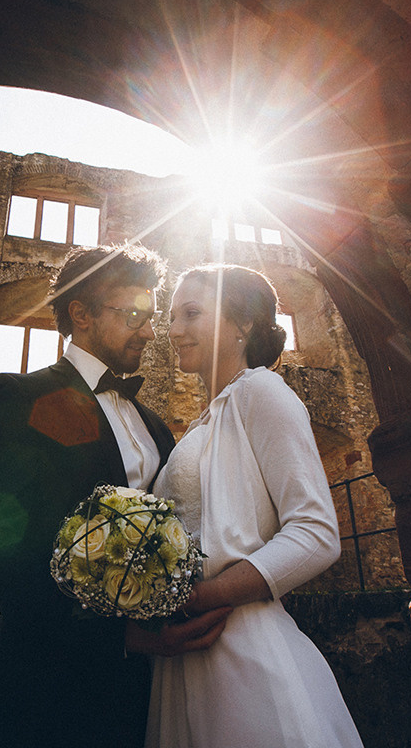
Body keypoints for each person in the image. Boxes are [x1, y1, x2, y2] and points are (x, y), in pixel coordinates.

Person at [0, 244, 232, 747]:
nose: (148, 332)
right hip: (48, 685)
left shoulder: (155, 427)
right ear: (82, 314)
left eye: (150, 317)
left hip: (150, 687)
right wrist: (116, 638)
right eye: (135, 315)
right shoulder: (17, 396)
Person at [145, 264, 364, 748]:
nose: (174, 329)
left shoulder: (261, 391)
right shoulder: (210, 416)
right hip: (184, 654)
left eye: (192, 313)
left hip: (240, 645)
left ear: (242, 324)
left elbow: (316, 533)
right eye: (173, 316)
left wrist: (204, 597)